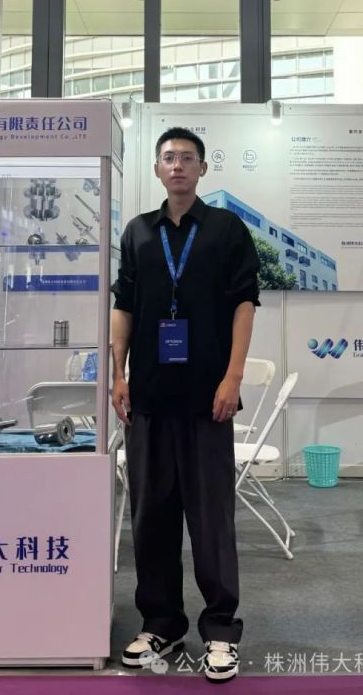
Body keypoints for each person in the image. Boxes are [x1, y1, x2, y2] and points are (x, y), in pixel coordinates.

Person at [110, 127, 260, 684]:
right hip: (148, 397)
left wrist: (233, 376)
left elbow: (245, 304)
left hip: (206, 399)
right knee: (151, 516)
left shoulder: (225, 229)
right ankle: (162, 623)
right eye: (168, 158)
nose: (177, 166)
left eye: (187, 158)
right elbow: (124, 304)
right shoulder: (138, 231)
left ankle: (220, 629)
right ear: (157, 169)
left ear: (202, 169)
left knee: (210, 517)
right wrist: (118, 374)